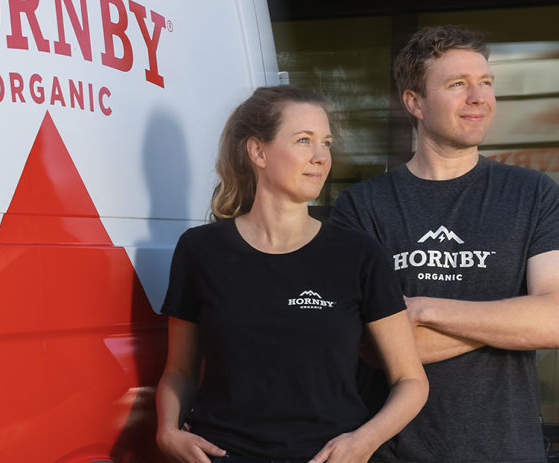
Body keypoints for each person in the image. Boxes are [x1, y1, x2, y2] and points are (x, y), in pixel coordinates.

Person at [330, 26, 559, 463]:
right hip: (390, 452)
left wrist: (423, 310)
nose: (478, 97)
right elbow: (367, 346)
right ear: (414, 103)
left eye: (485, 83)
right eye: (457, 85)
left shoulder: (533, 195)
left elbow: (558, 323)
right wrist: (513, 322)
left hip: (505, 452)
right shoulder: (361, 205)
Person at [156, 85, 428, 463]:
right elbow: (181, 371)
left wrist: (363, 442)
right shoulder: (200, 250)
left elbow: (411, 381)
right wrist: (167, 431)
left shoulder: (359, 254)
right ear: (258, 151)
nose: (320, 157)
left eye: (326, 143)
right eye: (304, 140)